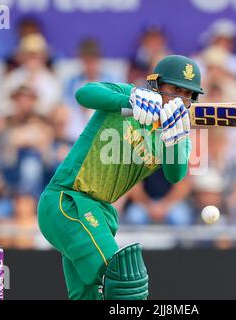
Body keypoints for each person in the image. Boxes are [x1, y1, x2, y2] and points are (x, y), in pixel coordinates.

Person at [37, 55, 204, 300]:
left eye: (187, 94)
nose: (180, 99)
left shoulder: (179, 134)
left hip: (100, 213)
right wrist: (130, 100)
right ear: (156, 86)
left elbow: (175, 174)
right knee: (122, 279)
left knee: (92, 296)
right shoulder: (129, 95)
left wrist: (174, 137)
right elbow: (84, 94)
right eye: (175, 89)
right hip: (68, 200)